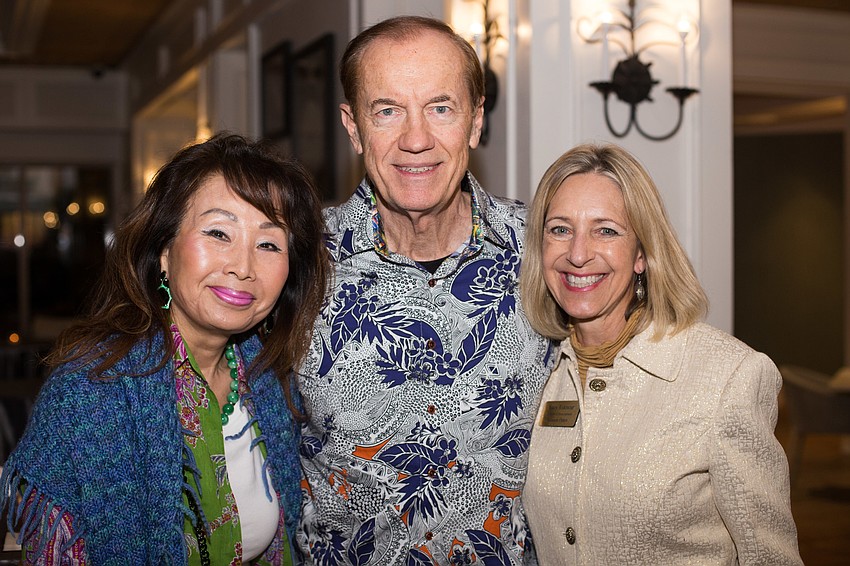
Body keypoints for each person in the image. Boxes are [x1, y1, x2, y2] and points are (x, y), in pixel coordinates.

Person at [0, 133, 328, 564]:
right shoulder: (91, 393)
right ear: (164, 251)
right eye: (219, 232)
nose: (243, 266)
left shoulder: (272, 383)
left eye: (268, 243)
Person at [296, 15, 553, 565]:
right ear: (353, 128)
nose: (416, 140)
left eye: (441, 108)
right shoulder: (296, 262)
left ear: (475, 122)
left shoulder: (546, 251)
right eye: (387, 111)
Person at [519, 143, 803, 565]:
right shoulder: (534, 369)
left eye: (606, 230)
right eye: (560, 229)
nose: (577, 254)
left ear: (641, 254)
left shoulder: (728, 376)